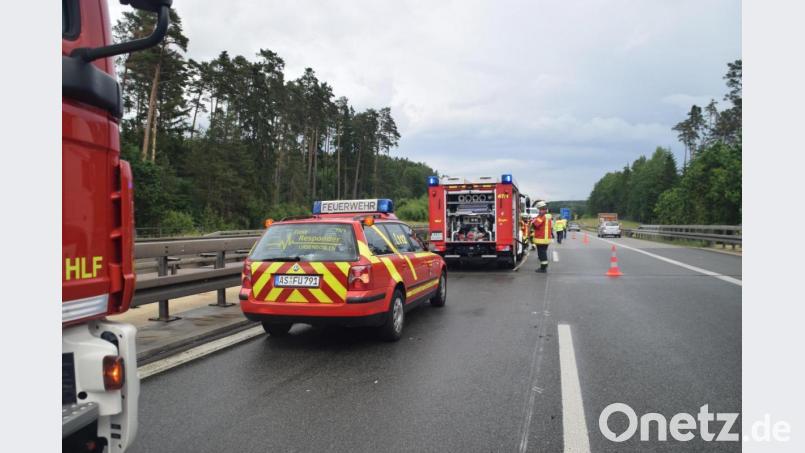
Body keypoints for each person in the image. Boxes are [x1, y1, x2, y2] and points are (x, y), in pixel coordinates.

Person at [530, 201, 553, 273]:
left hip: (541, 238)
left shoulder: (543, 217)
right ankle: (544, 266)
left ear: (544, 209)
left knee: (541, 254)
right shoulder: (547, 216)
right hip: (545, 239)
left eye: (540, 209)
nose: (539, 211)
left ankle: (543, 268)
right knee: (543, 253)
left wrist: (533, 221)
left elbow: (535, 225)